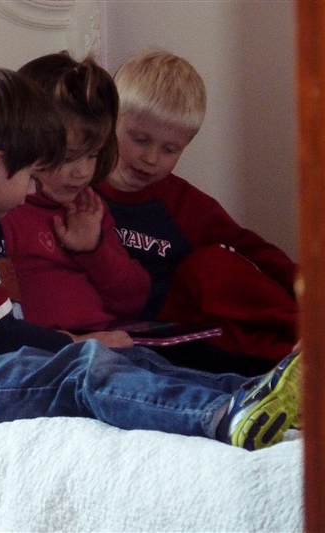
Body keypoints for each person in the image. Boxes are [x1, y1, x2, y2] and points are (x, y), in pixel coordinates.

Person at [0, 66, 301, 451]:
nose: (32, 190)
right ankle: (219, 415)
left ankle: (254, 396)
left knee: (132, 358)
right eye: (29, 176)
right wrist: (77, 342)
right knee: (83, 371)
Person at [97, 49, 299, 366]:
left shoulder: (185, 203)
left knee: (211, 268)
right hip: (110, 330)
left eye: (170, 149)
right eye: (139, 139)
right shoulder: (76, 186)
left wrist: (314, 294)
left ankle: (313, 342)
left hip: (181, 327)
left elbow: (254, 251)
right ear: (109, 122)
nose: (151, 158)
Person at [0, 52, 151, 344]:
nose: (82, 172)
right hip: (55, 354)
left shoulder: (88, 207)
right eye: (68, 157)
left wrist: (93, 249)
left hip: (116, 345)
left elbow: (134, 301)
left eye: (93, 154)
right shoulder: (5, 213)